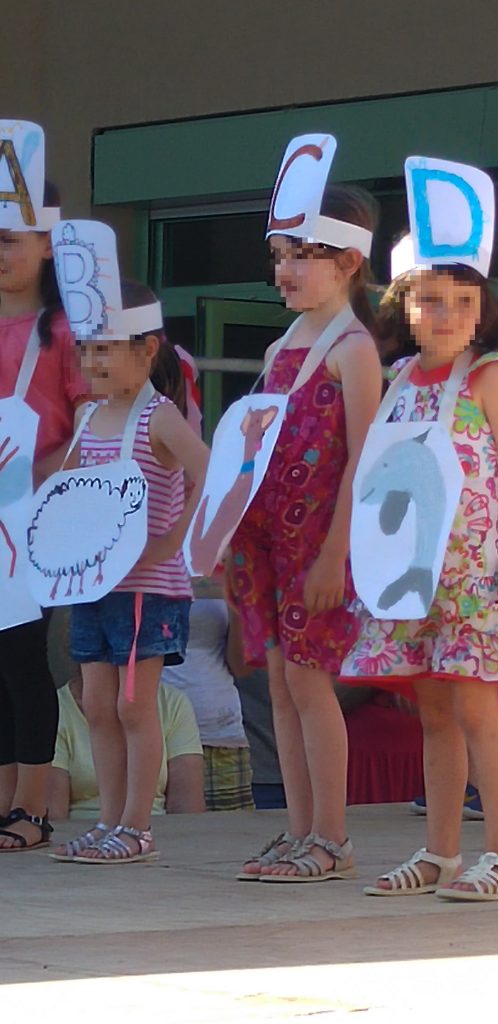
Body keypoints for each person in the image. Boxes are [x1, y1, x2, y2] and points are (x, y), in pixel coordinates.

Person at [341, 158, 498, 901]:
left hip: (475, 576)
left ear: (480, 309)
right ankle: (439, 852)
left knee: (475, 705)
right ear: (403, 304)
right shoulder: (399, 382)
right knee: (431, 707)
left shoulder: (490, 374)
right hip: (413, 577)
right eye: (431, 301)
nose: (447, 316)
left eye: (462, 302)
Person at [229, 141, 383, 882]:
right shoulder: (283, 340)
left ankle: (332, 836)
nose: (286, 269)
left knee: (312, 682)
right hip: (271, 538)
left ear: (348, 262)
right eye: (281, 253)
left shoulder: (354, 347)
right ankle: (298, 831)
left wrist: (334, 552)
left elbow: (363, 454)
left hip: (320, 539)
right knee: (283, 684)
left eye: (304, 255)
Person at [51, 270, 209, 864]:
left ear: (146, 349)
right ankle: (109, 821)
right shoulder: (90, 418)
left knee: (133, 705)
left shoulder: (160, 416)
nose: (91, 359)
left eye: (104, 348)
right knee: (96, 702)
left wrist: (173, 541)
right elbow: (65, 489)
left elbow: (207, 471)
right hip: (92, 583)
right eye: (86, 347)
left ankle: (137, 826)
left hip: (147, 585)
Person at [0, 172, 87, 852]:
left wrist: (33, 475)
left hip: (37, 516)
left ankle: (32, 805)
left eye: (9, 239)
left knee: (23, 655)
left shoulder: (64, 331)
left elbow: (92, 429)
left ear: (48, 243)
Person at [48, 676, 205, 823]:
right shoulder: (56, 708)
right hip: (80, 837)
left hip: (159, 834)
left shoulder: (171, 702)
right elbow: (55, 818)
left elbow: (188, 812)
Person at [162, 579, 255, 811]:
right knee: (156, 834)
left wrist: (237, 605)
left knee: (228, 839)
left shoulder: (222, 556)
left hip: (218, 731)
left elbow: (241, 666)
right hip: (155, 732)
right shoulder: (141, 554)